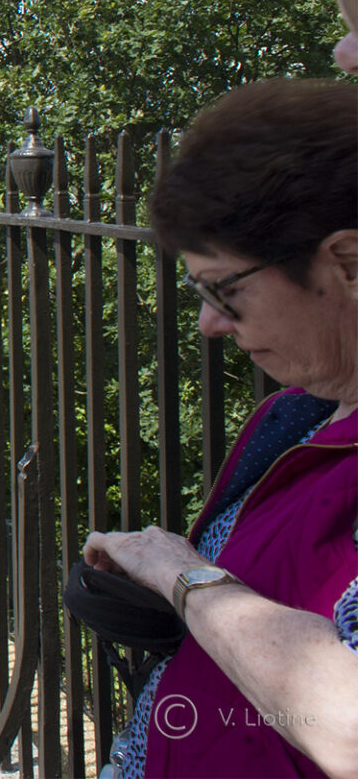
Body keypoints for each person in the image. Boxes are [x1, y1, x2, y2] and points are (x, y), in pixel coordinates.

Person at [80, 78, 358, 778]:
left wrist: (185, 577)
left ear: (347, 263)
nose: (209, 323)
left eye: (225, 290)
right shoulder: (293, 418)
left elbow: (349, 727)